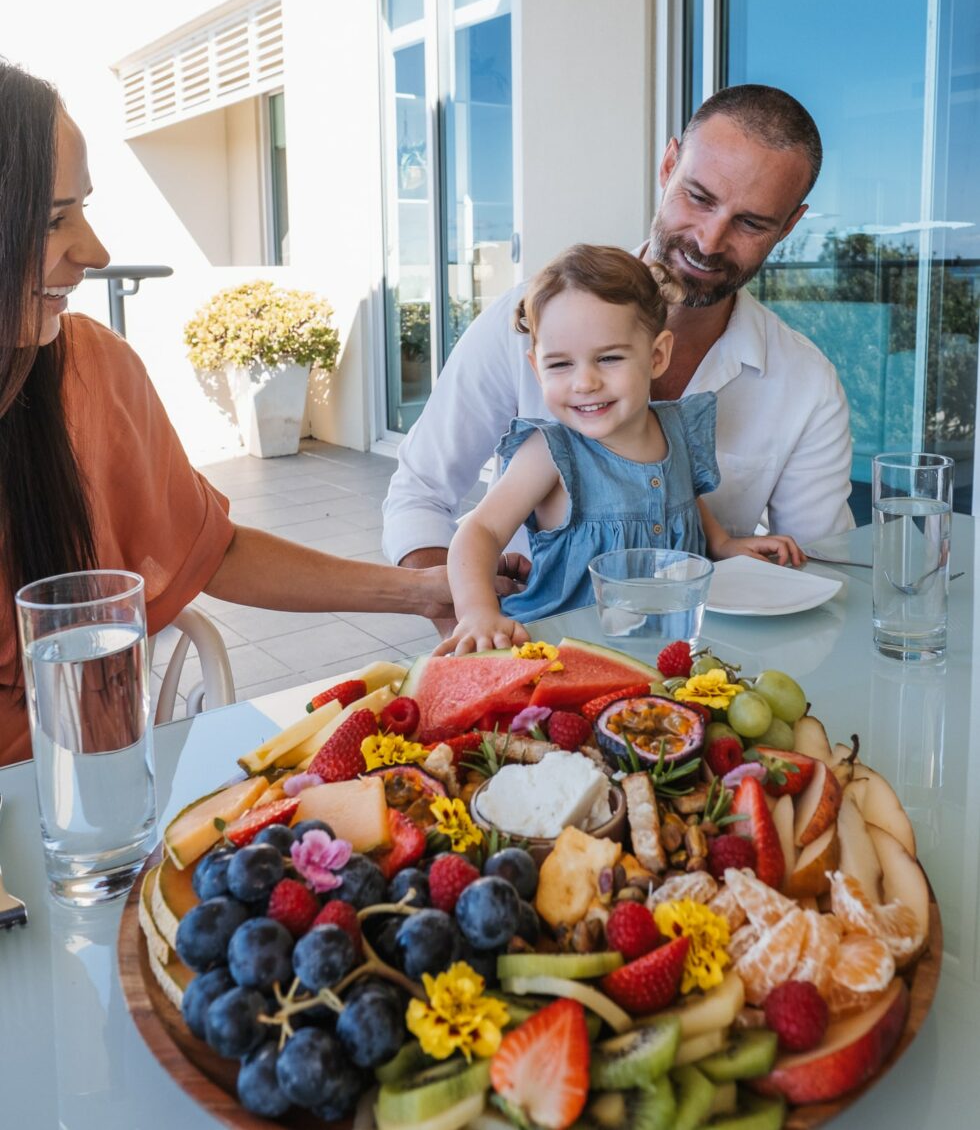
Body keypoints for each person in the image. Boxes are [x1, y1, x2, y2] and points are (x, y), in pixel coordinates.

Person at [0, 62, 509, 768]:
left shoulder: (95, 370)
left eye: (84, 208)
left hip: (100, 798)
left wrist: (421, 591)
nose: (95, 252)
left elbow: (214, 549)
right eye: (56, 220)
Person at [384, 85, 853, 591]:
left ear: (789, 227)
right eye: (698, 197)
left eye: (751, 223)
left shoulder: (807, 384)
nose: (709, 240)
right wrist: (467, 621)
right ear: (668, 164)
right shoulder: (524, 319)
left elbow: (823, 566)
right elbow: (422, 492)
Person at [447, 245, 804, 651]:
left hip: (662, 648)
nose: (585, 383)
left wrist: (722, 543)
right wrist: (477, 610)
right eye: (560, 364)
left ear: (656, 356)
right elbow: (480, 530)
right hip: (553, 650)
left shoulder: (677, 430)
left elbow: (680, 494)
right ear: (536, 367)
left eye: (609, 358)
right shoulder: (550, 453)